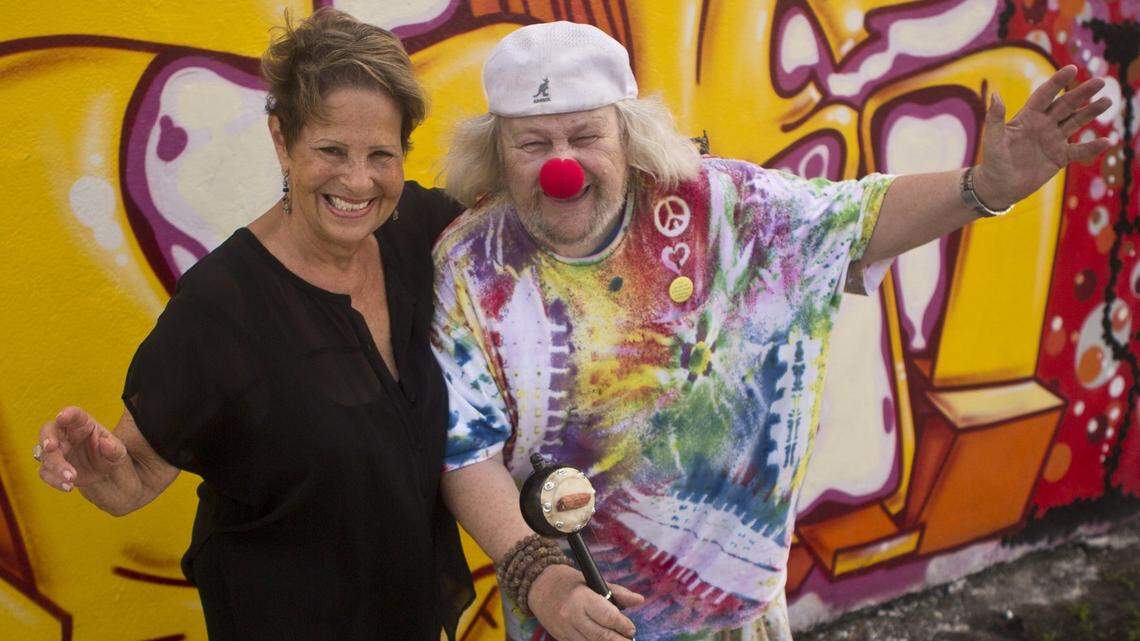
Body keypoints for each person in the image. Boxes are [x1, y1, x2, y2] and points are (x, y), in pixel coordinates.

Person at [432, 21, 1111, 641]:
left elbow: (860, 218)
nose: (563, 164)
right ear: (498, 151)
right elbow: (466, 452)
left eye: (585, 137)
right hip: (574, 621)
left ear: (627, 136)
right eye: (534, 143)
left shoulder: (726, 209)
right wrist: (541, 578)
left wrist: (984, 186)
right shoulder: (471, 269)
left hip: (742, 619)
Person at [32, 9, 472, 640]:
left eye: (381, 153)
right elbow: (132, 479)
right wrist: (99, 469)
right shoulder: (220, 306)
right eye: (331, 150)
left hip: (411, 616)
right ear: (281, 139)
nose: (358, 180)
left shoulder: (419, 232)